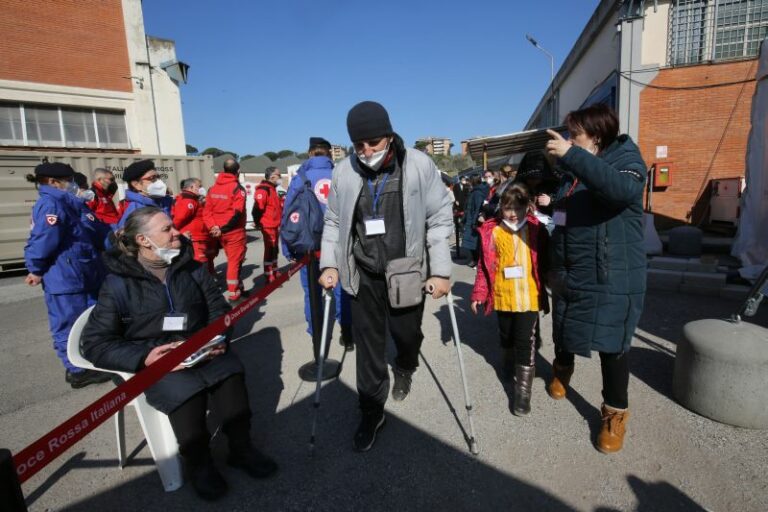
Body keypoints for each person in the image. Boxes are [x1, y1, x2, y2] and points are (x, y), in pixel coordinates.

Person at [80, 206, 278, 501]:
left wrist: (218, 338)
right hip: (156, 360)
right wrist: (146, 357)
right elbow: (95, 343)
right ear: (144, 240)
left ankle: (241, 449)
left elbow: (217, 310)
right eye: (167, 229)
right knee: (186, 392)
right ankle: (200, 464)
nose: (177, 233)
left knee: (231, 374)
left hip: (202, 349)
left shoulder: (192, 268)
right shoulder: (118, 283)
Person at [318, 101, 453, 452]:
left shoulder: (419, 165)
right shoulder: (344, 171)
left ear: (390, 136)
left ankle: (406, 365)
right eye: (359, 145)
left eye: (374, 143)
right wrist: (330, 264)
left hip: (406, 272)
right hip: (363, 274)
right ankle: (371, 410)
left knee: (406, 335)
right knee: (369, 348)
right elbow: (333, 221)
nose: (367, 152)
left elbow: (439, 217)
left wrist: (440, 270)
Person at [544, 104, 647, 454]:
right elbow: (562, 218)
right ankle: (562, 368)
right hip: (570, 270)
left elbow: (618, 191)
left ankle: (614, 414)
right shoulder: (571, 174)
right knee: (564, 326)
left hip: (610, 273)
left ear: (597, 138)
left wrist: (571, 155)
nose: (570, 139)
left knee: (611, 345)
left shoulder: (627, 162)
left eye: (576, 134)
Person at [23, 162, 110, 389]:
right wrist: (35, 268)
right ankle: (77, 371)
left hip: (81, 272)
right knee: (67, 324)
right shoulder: (50, 204)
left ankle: (88, 360)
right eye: (69, 180)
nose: (73, 185)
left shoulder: (69, 203)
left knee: (89, 320)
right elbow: (43, 239)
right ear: (53, 182)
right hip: (65, 276)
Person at [469, 184, 548, 416]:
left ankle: (522, 394)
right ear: (500, 207)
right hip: (502, 297)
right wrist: (479, 294)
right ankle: (507, 360)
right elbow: (484, 267)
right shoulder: (491, 231)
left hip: (528, 298)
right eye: (507, 207)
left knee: (525, 340)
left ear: (527, 206)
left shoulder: (536, 229)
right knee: (506, 336)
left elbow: (548, 262)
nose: (512, 213)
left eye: (517, 207)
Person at [282, 137, 353, 351]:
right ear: (330, 154)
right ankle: (348, 334)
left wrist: (287, 248)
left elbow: (288, 215)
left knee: (311, 292)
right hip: (339, 244)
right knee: (342, 289)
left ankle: (317, 335)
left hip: (309, 246)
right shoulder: (342, 175)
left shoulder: (300, 177)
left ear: (310, 153)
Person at [204, 159, 248, 301]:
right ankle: (234, 294)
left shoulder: (212, 188)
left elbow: (207, 211)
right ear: (238, 171)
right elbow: (238, 213)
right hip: (233, 232)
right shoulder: (237, 189)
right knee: (235, 262)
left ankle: (239, 287)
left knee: (234, 260)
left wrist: (213, 227)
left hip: (219, 232)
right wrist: (222, 229)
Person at [174, 178, 215, 274]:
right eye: (199, 186)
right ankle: (203, 286)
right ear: (191, 187)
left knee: (204, 262)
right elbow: (179, 219)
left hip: (199, 236)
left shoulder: (194, 200)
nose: (201, 189)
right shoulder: (189, 201)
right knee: (200, 263)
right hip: (195, 237)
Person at [117, 159, 173, 229]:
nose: (158, 181)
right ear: (137, 185)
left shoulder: (164, 201)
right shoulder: (135, 211)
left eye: (158, 177)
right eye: (152, 178)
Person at [251, 166, 283, 283]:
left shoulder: (272, 189)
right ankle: (269, 274)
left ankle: (275, 270)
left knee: (275, 249)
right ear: (272, 177)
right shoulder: (264, 189)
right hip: (268, 225)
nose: (281, 178)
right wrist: (257, 221)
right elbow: (257, 208)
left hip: (274, 225)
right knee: (270, 250)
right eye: (279, 175)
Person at [461, 173, 491, 268]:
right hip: (471, 219)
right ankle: (475, 259)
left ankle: (476, 260)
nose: (468, 182)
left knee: (475, 242)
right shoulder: (474, 191)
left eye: (470, 180)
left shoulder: (477, 193)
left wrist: (474, 221)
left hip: (474, 220)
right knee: (471, 242)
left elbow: (478, 207)